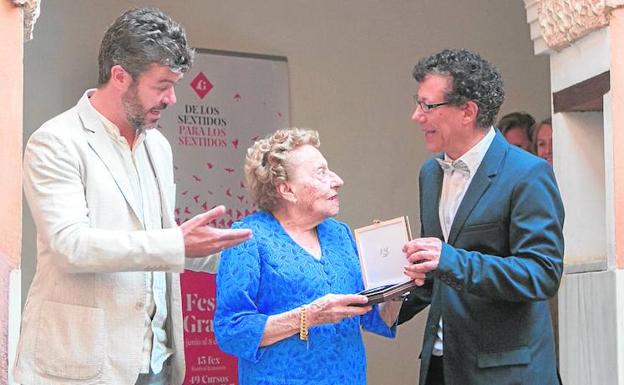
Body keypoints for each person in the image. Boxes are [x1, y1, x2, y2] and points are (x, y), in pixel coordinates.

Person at [14, 8, 252, 385]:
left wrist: (247, 250)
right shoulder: (56, 141)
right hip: (81, 367)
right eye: (161, 86)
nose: (173, 99)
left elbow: (162, 239)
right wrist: (177, 242)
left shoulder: (157, 146)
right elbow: (70, 245)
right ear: (120, 76)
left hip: (157, 363)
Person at [399, 49, 564, 385]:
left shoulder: (527, 173)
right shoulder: (430, 175)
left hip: (505, 372)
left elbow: (541, 273)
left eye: (427, 106)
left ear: (467, 111)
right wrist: (374, 305)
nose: (417, 115)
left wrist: (449, 260)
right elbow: (433, 275)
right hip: (440, 366)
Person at [214, 128, 401, 385]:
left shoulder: (339, 234)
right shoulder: (248, 238)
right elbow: (231, 331)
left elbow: (371, 316)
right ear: (287, 190)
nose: (337, 180)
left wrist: (399, 286)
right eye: (321, 173)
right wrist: (308, 316)